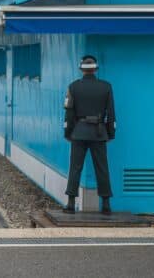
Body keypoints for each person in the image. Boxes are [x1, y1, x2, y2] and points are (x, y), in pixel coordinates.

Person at [63, 55, 116, 215]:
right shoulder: (106, 87)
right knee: (102, 168)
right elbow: (111, 113)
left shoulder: (73, 87)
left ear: (81, 69)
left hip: (79, 131)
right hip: (99, 132)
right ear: (95, 69)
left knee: (75, 168)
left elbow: (69, 113)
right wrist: (110, 132)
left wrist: (68, 132)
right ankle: (106, 204)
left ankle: (71, 203)